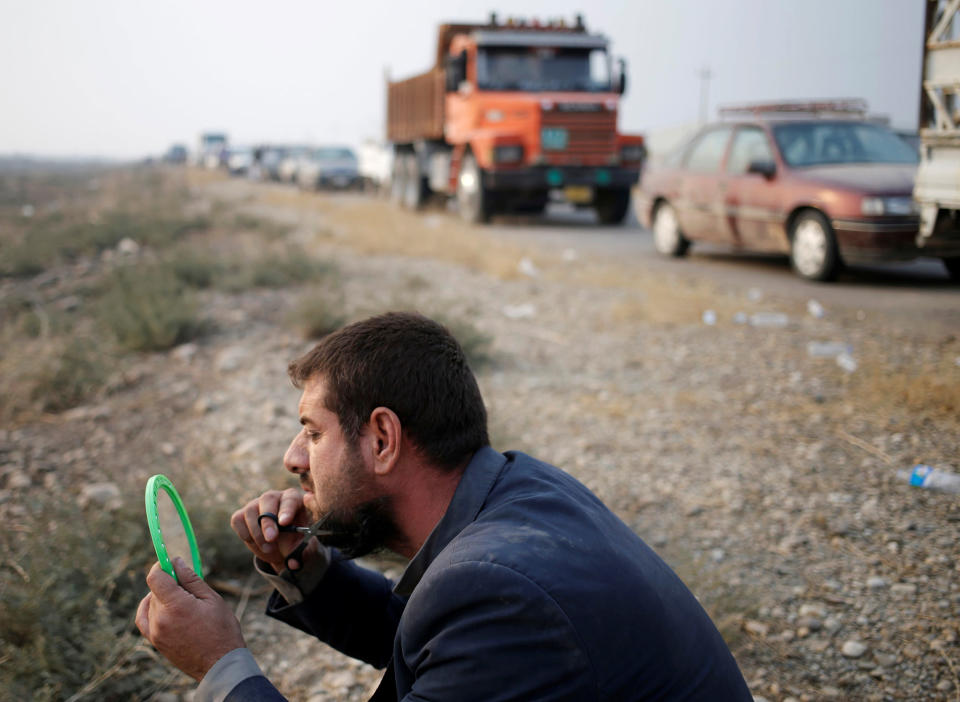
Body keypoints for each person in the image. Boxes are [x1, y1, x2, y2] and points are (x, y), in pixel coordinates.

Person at [136, 312, 752, 701]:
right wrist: (307, 566)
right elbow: (432, 642)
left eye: (313, 432)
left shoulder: (500, 592)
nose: (293, 457)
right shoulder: (520, 489)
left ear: (382, 439)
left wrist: (221, 667)